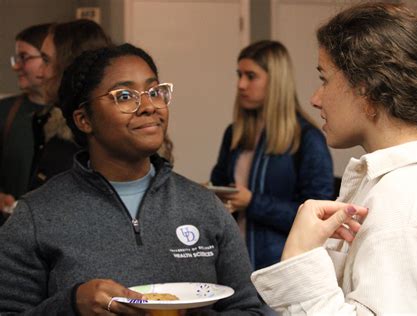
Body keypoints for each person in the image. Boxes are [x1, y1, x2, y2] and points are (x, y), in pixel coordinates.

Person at [0, 43, 264, 315]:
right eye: (125, 96)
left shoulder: (204, 207)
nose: (149, 106)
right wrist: (71, 304)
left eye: (154, 91)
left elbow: (248, 308)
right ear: (84, 120)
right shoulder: (36, 216)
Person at [251, 2, 417, 314]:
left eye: (324, 79)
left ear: (366, 90)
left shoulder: (405, 198)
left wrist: (301, 257)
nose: (315, 98)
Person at [210, 40, 334, 270]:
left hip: (281, 268)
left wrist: (252, 202)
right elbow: (218, 183)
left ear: (275, 81)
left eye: (251, 76)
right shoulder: (234, 133)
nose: (241, 85)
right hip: (234, 265)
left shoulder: (307, 138)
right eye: (239, 75)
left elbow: (317, 217)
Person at [0, 20, 112, 224]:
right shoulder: (48, 123)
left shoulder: (89, 138)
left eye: (46, 60)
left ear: (69, 66)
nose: (42, 73)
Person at [0, 23, 51, 223]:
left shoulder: (74, 115)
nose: (15, 66)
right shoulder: (4, 111)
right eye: (17, 58)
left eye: (24, 57)